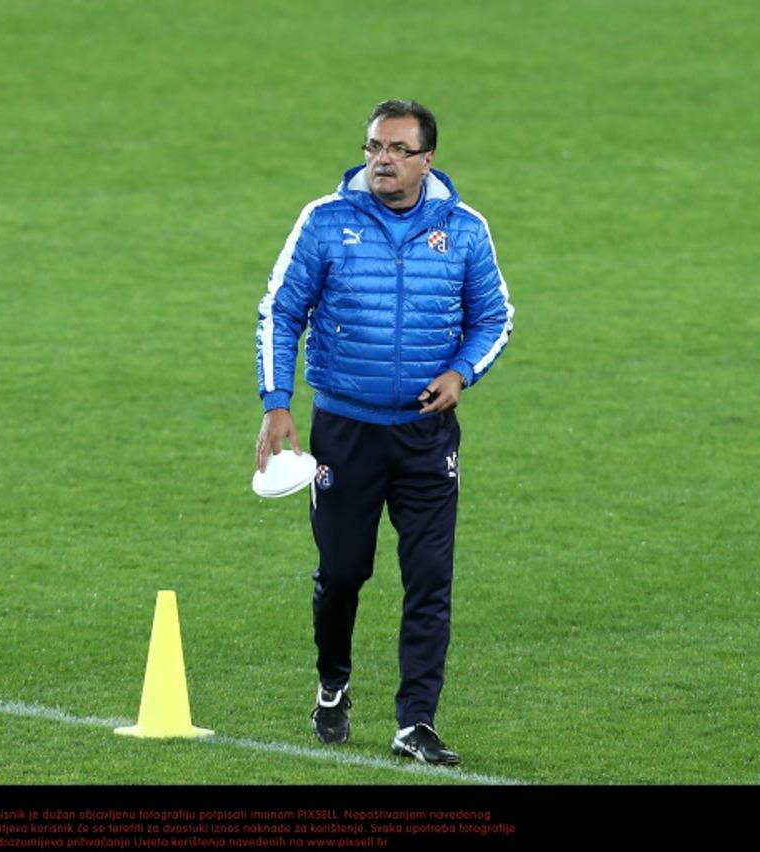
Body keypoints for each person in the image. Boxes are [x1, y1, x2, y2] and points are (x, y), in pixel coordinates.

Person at [253, 100, 514, 765]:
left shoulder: (463, 230)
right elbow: (280, 313)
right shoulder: (324, 222)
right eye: (374, 147)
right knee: (343, 573)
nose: (383, 161)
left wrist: (461, 374)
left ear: (428, 159)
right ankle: (333, 683)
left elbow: (495, 317)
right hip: (344, 433)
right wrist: (277, 403)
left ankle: (415, 723)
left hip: (427, 437)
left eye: (398, 150)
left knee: (430, 579)